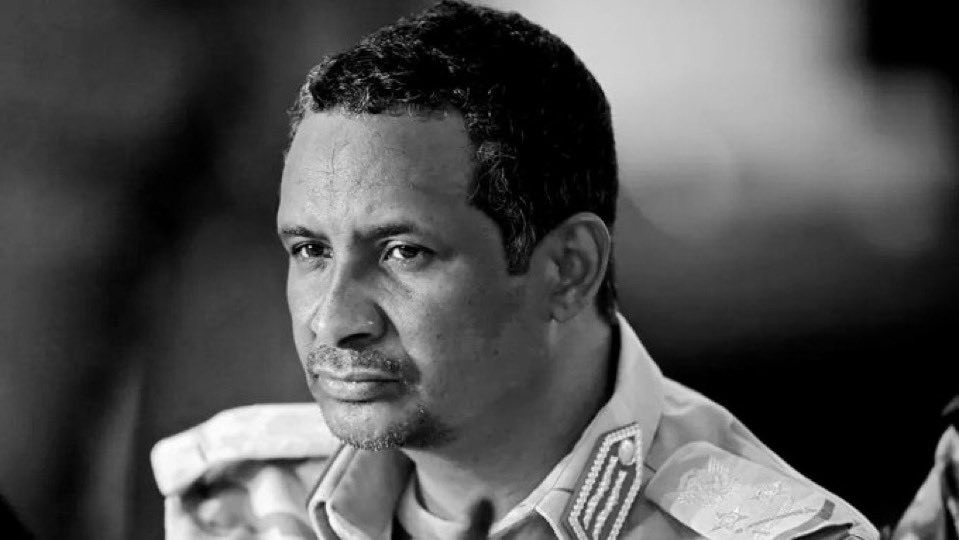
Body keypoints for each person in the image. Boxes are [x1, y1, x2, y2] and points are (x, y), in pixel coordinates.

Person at [151, 2, 879, 538]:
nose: (335, 321)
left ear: (568, 269)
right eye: (311, 250)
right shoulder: (245, 498)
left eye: (404, 252)